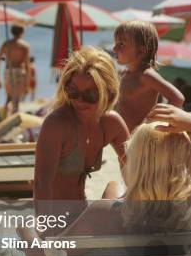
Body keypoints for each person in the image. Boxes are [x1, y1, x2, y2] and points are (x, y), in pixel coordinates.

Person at [22, 122, 191, 256]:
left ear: (138, 165)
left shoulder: (102, 214)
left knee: (113, 195)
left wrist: (26, 230)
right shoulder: (188, 214)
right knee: (114, 188)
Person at [34, 47, 130, 205]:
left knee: (115, 188)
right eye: (73, 91)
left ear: (109, 92)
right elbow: (41, 183)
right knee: (109, 202)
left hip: (82, 209)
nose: (79, 100)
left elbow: (135, 174)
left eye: (90, 95)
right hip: (57, 217)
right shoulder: (56, 124)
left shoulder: (111, 123)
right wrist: (46, 226)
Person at [113, 20, 184, 132]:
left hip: (140, 139)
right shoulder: (123, 74)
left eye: (121, 44)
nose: (114, 48)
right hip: (121, 138)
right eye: (115, 43)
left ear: (142, 51)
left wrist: (156, 122)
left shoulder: (146, 76)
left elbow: (177, 98)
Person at [0, 25, 31, 115]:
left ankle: (4, 117)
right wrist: (27, 84)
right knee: (16, 100)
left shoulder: (6, 44)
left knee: (9, 97)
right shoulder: (24, 46)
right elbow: (27, 65)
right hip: (19, 72)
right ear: (22, 32)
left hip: (8, 71)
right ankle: (13, 122)